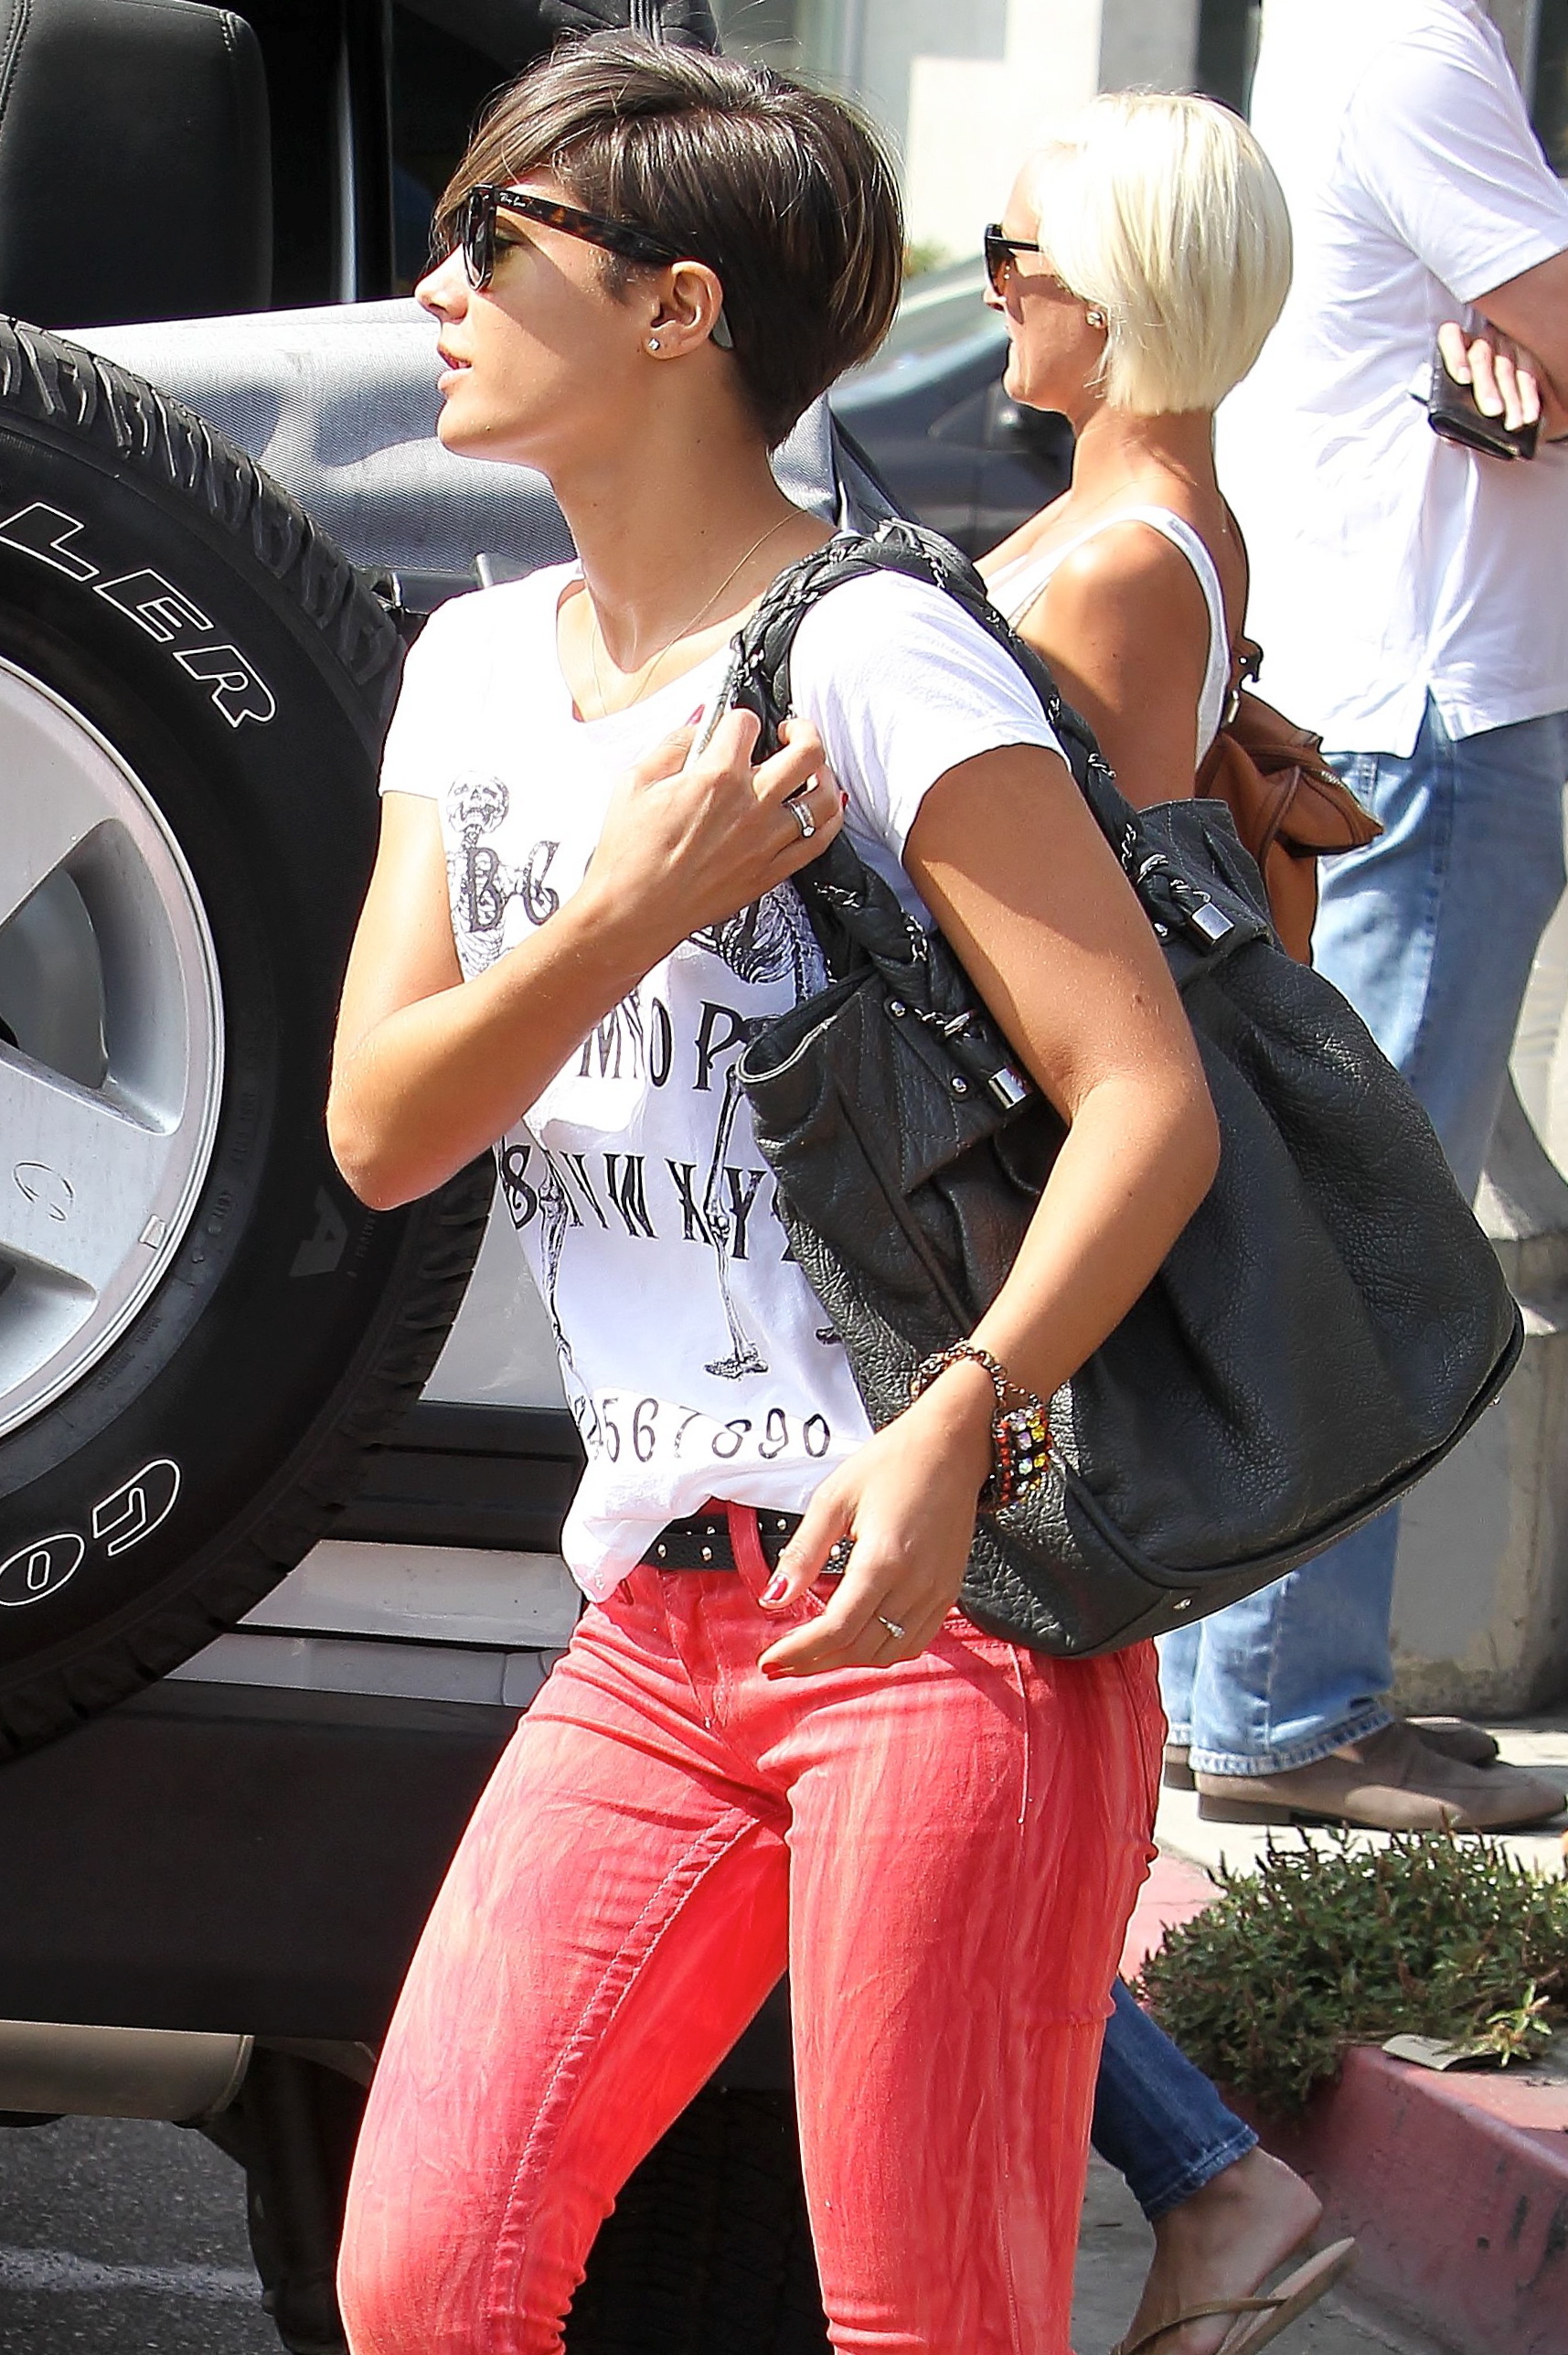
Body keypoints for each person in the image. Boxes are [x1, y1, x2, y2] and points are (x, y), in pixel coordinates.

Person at [325, 34, 1221, 2355]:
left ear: (675, 308)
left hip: (945, 1606)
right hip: (651, 1615)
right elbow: (385, 1126)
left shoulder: (874, 648)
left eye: (490, 239)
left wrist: (962, 1418)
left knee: (928, 2322)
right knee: (427, 2274)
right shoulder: (468, 674)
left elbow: (1145, 1100)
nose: (433, 289)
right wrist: (625, 912)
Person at [977, 92, 1350, 2355]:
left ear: (1112, 287)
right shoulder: (1150, 521)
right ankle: (1192, 2185)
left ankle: (1209, 2180)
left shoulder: (1124, 559)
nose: (991, 291)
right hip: (1044, 1235)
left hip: (1033, 1242)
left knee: (954, 1755)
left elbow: (1086, 966)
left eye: (1013, 253)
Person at [1191, 0, 1568, 1833]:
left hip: (1386, 701)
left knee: (1328, 1210)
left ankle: (1244, 1685)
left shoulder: (1359, 31)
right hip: (1428, 714)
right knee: (1372, 1225)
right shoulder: (1417, 41)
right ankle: (1283, 1706)